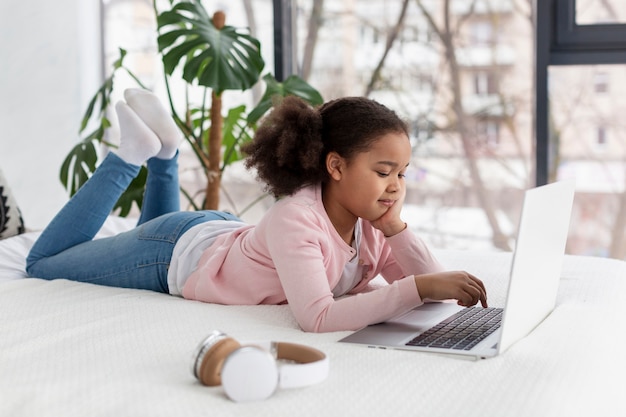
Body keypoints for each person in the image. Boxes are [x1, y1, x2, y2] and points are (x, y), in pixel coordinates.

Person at [26, 89, 487, 333]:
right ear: (336, 166)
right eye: (385, 170)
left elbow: (436, 285)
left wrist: (395, 228)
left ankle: (165, 152)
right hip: (173, 254)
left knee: (149, 229)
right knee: (41, 264)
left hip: (213, 234)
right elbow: (318, 318)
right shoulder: (296, 219)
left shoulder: (368, 223)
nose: (395, 186)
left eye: (402, 174)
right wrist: (415, 288)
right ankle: (132, 154)